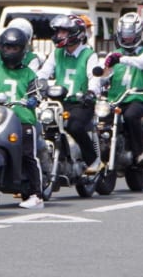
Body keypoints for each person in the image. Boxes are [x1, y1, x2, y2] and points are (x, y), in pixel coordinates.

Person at [0, 27, 44, 209]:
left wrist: (31, 101)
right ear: (1, 48)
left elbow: (37, 95)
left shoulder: (29, 73)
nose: (10, 52)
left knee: (28, 155)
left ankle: (35, 194)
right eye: (7, 48)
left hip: (22, 119)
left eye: (14, 48)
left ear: (22, 50)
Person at [37, 14, 102, 174]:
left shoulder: (89, 55)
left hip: (81, 103)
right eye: (58, 32)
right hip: (59, 102)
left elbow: (93, 77)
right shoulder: (57, 53)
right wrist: (36, 84)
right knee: (39, 125)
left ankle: (94, 160)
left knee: (74, 126)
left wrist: (91, 92)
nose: (59, 35)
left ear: (76, 33)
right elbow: (43, 73)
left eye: (63, 32)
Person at [102, 12, 143, 165]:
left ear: (137, 35)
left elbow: (142, 64)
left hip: (136, 98)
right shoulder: (114, 54)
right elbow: (104, 75)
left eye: (130, 35)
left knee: (131, 116)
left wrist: (121, 59)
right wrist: (104, 71)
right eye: (124, 35)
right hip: (115, 99)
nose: (127, 39)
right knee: (100, 120)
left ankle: (140, 153)